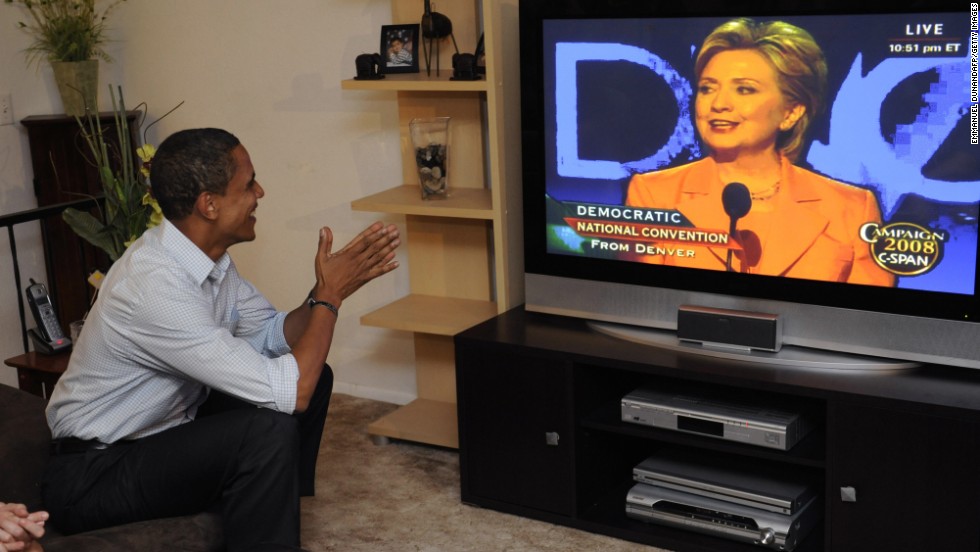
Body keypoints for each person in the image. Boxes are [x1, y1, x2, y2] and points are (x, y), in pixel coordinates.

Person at [42, 128, 401, 551]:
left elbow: (273, 335)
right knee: (269, 427)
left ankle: (271, 506)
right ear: (208, 204)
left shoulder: (209, 262)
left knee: (313, 374)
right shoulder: (154, 286)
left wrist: (323, 291)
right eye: (248, 184)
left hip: (162, 435)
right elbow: (292, 391)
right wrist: (329, 298)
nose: (260, 192)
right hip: (93, 474)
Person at [626, 18, 894, 286]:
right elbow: (645, 300)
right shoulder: (654, 195)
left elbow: (867, 316)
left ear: (791, 113)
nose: (718, 104)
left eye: (744, 89)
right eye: (707, 88)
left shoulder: (852, 208)